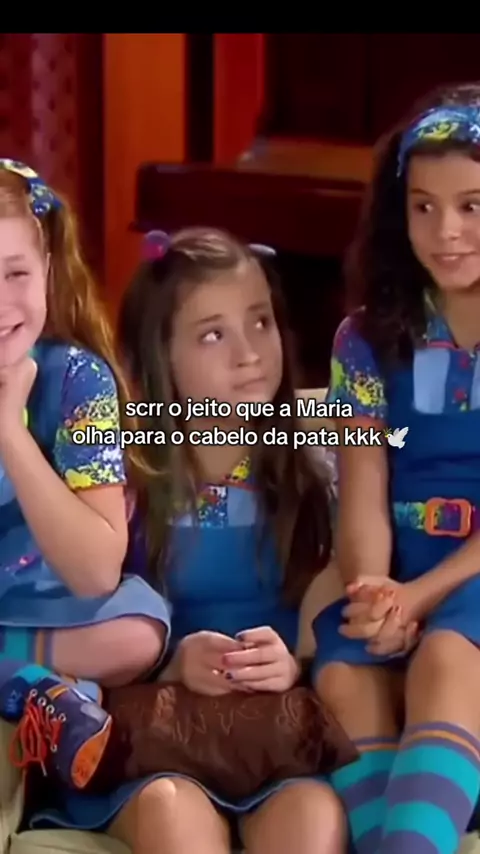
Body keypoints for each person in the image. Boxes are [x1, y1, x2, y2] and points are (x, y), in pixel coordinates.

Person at [32, 227, 347, 854]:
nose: (249, 353)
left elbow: (334, 611)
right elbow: (80, 618)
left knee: (314, 818)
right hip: (153, 739)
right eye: (212, 335)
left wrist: (292, 662)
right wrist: (171, 664)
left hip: (274, 738)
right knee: (173, 817)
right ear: (161, 357)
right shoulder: (116, 480)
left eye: (260, 322)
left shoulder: (317, 475)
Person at [312, 82, 480, 854]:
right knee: (344, 673)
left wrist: (420, 598)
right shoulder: (365, 339)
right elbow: (363, 492)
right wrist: (376, 592)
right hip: (402, 573)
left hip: (466, 580)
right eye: (423, 206)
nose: (445, 232)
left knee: (446, 654)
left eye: (472, 206)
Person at [0, 160, 169, 789]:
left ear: (47, 269)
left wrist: (11, 433)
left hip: (54, 606)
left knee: (139, 634)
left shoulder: (79, 380)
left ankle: (22, 675)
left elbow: (97, 571)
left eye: (15, 274)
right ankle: (39, 688)